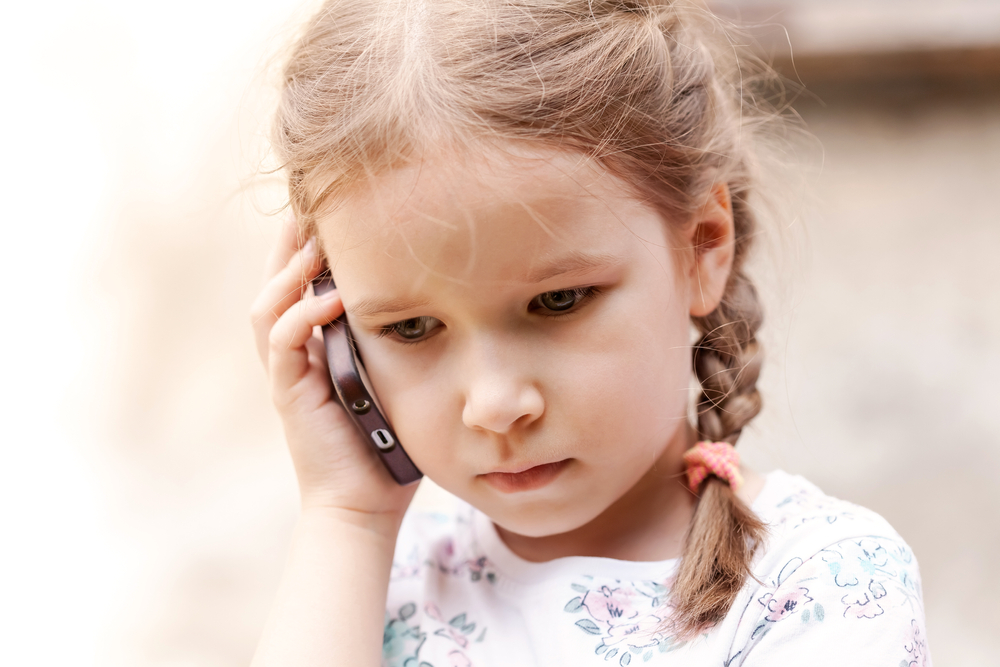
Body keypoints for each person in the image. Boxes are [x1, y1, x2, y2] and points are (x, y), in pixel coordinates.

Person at [249, 1, 930, 665]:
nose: (495, 404)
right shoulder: (364, 577)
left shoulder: (822, 586)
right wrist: (347, 517)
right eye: (411, 326)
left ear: (701, 246)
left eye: (558, 300)